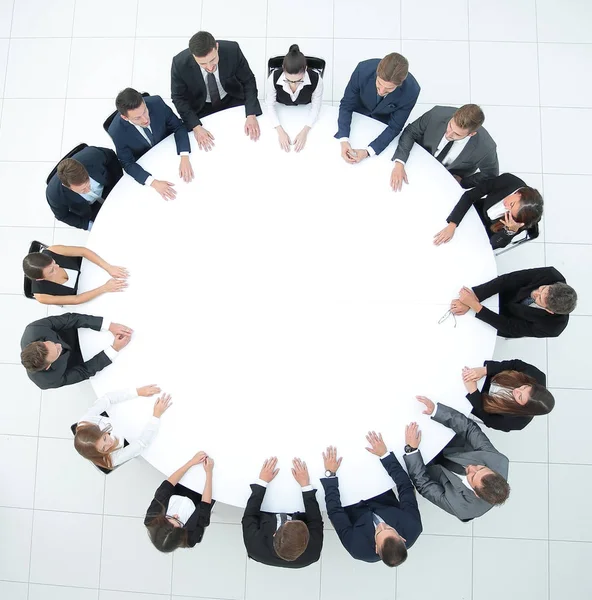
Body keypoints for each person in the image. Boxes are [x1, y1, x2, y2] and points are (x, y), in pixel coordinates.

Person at [404, 396, 510, 522]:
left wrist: (412, 450)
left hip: (425, 467)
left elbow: (424, 485)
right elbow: (469, 429)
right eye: (480, 467)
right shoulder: (497, 461)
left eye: (472, 476)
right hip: (448, 442)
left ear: (475, 493)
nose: (471, 467)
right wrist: (436, 411)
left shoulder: (462, 508)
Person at [320, 436, 422, 566]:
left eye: (378, 532)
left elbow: (335, 514)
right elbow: (405, 487)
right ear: (401, 538)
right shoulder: (413, 526)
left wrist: (331, 475)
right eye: (388, 527)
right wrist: (385, 455)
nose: (381, 525)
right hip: (377, 487)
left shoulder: (357, 549)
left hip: (347, 499)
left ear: (376, 548)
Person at [171, 31, 262, 150]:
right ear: (193, 56)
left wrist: (251, 114)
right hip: (201, 105)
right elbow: (178, 98)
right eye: (203, 63)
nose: (209, 67)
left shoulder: (232, 50)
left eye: (213, 60)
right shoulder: (179, 63)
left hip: (231, 96)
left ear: (217, 47)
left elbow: (248, 80)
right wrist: (196, 127)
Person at [108, 88, 194, 200]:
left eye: (144, 111)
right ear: (125, 117)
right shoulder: (116, 131)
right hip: (148, 160)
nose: (145, 119)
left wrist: (184, 156)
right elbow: (127, 163)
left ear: (144, 102)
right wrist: (154, 183)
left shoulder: (156, 103)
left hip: (169, 147)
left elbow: (177, 126)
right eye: (137, 118)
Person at [390, 104, 499, 192]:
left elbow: (490, 176)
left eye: (457, 134)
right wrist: (400, 162)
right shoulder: (436, 114)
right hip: (418, 160)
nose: (449, 134)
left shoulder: (486, 148)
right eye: (450, 126)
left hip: (446, 178)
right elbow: (411, 131)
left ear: (471, 134)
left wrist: (464, 182)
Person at [335, 52, 420, 164]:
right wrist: (344, 139)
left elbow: (395, 127)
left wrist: (368, 152)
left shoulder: (411, 91)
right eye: (379, 84)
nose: (381, 91)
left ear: (400, 84)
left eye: (388, 89)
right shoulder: (363, 70)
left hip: (382, 121)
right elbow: (346, 104)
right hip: (359, 111)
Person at [241, 456, 323, 568]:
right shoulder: (313, 552)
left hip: (268, 508)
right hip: (299, 507)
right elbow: (315, 521)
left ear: (274, 533)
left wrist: (262, 482)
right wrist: (305, 485)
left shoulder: (254, 546)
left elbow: (250, 515)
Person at [451, 266, 577, 338]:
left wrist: (474, 306)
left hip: (504, 320)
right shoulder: (551, 275)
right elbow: (509, 280)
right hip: (504, 293)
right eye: (542, 288)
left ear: (550, 310)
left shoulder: (553, 328)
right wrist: (474, 297)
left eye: (539, 299)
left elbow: (510, 326)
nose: (535, 293)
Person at [20, 314, 132, 390]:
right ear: (48, 366)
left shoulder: (33, 329)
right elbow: (84, 371)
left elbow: (70, 319)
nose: (59, 345)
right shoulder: (47, 381)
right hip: (81, 359)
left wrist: (108, 325)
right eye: (57, 351)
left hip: (78, 332)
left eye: (51, 343)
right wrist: (114, 349)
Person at [433, 173, 543, 248]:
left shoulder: (520, 219)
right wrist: (453, 224)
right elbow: (470, 195)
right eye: (512, 204)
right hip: (476, 211)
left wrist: (510, 232)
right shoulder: (508, 181)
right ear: (519, 193)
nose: (506, 208)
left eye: (510, 212)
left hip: (486, 234)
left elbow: (494, 244)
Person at [74, 387, 171, 471]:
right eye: (104, 448)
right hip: (129, 438)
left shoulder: (86, 420)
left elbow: (107, 399)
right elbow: (142, 443)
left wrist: (137, 392)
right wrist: (156, 415)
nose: (109, 443)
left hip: (120, 419)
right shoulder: (111, 460)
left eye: (104, 438)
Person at [145, 451, 214, 552]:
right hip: (201, 497)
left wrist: (191, 462)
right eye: (178, 521)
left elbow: (168, 485)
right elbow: (205, 506)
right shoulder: (191, 537)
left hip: (181, 483)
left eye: (170, 517)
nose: (176, 516)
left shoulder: (152, 518)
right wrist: (209, 472)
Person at [462, 360, 554, 432]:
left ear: (523, 408)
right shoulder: (538, 376)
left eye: (520, 397)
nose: (517, 390)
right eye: (524, 387)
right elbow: (514, 364)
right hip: (487, 375)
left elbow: (488, 419)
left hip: (476, 399)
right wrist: (485, 370)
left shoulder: (518, 422)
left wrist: (473, 391)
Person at [46, 146, 123, 230]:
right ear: (67, 186)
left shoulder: (94, 155)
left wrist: (121, 182)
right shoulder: (54, 194)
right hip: (92, 208)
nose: (88, 190)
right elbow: (62, 216)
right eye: (82, 190)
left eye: (88, 184)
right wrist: (89, 226)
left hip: (110, 187)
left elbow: (112, 158)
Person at [22, 244, 129, 305]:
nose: (57, 267)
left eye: (54, 263)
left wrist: (108, 267)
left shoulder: (53, 250)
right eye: (51, 271)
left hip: (91, 268)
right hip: (86, 294)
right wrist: (104, 288)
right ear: (40, 279)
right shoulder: (41, 296)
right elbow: (75, 300)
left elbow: (83, 251)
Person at [265, 44, 324, 152]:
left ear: (305, 69)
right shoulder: (273, 77)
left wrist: (305, 131)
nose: (293, 84)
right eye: (288, 80)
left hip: (304, 111)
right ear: (283, 69)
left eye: (298, 81)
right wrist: (280, 131)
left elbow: (316, 107)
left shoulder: (316, 79)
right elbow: (269, 105)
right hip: (281, 109)